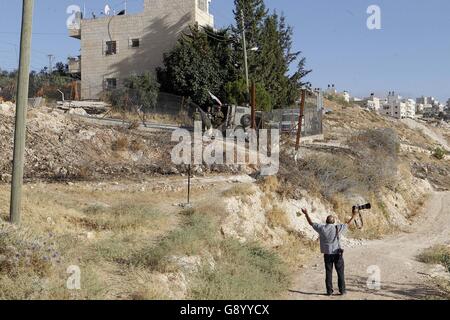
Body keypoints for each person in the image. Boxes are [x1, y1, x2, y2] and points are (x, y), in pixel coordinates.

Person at [298, 207, 358, 296]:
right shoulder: (338, 228)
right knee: (340, 273)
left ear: (326, 221)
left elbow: (311, 223)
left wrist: (306, 213)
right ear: (333, 222)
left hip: (327, 254)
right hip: (337, 253)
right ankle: (342, 290)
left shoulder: (321, 228)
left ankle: (329, 291)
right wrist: (354, 215)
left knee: (328, 273)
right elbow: (348, 224)